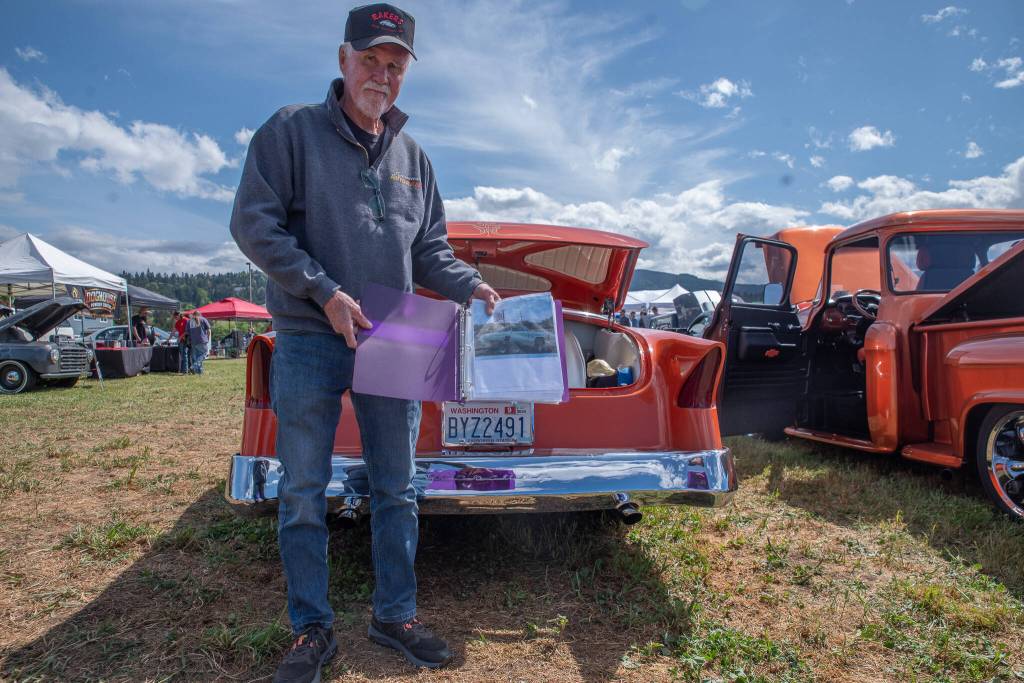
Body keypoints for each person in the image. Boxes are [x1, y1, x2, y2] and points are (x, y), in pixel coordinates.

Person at [229, 5, 500, 680]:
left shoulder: (415, 158)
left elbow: (431, 249)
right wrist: (322, 290)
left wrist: (471, 286)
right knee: (301, 489)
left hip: (398, 331)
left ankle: (394, 614)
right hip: (309, 332)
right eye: (372, 60)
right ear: (343, 58)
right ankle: (311, 631)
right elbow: (253, 225)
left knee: (398, 487)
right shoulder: (289, 132)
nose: (383, 74)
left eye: (396, 65)